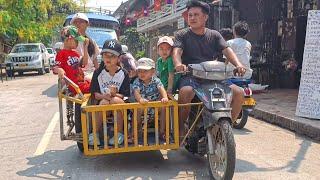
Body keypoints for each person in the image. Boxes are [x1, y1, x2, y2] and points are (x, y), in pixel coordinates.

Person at [172, 0, 246, 137]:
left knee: (239, 93)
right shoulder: (182, 34)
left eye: (196, 15)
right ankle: (181, 126)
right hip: (191, 76)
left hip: (214, 76)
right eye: (190, 15)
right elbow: (177, 51)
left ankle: (227, 126)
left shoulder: (214, 35)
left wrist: (238, 64)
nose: (192, 18)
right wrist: (178, 64)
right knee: (186, 91)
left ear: (205, 17)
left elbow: (227, 50)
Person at [90, 40, 130, 146]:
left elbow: (125, 95)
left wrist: (114, 94)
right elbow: (95, 94)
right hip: (104, 103)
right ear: (102, 56)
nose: (108, 58)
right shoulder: (98, 72)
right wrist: (104, 96)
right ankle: (95, 134)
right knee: (104, 102)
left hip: (118, 104)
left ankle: (119, 134)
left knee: (115, 101)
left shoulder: (124, 73)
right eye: (105, 55)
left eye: (112, 56)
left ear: (118, 58)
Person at [132, 58, 169, 141]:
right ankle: (135, 132)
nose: (142, 73)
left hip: (155, 106)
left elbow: (161, 89)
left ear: (152, 72)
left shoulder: (156, 80)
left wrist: (165, 97)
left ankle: (162, 131)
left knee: (164, 107)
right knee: (137, 110)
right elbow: (136, 92)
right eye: (140, 71)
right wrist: (140, 99)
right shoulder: (137, 81)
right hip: (143, 105)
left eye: (145, 71)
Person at [53, 25, 90, 94]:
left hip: (80, 82)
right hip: (73, 84)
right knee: (94, 88)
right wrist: (59, 70)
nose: (78, 43)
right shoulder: (61, 53)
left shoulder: (75, 53)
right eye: (76, 40)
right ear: (69, 39)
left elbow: (84, 63)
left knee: (95, 84)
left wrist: (85, 47)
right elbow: (55, 67)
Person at [70, 13, 100, 81]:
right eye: (75, 22)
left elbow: (95, 61)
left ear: (87, 24)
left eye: (81, 22)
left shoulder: (92, 42)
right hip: (74, 73)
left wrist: (99, 74)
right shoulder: (69, 41)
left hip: (90, 73)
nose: (78, 24)